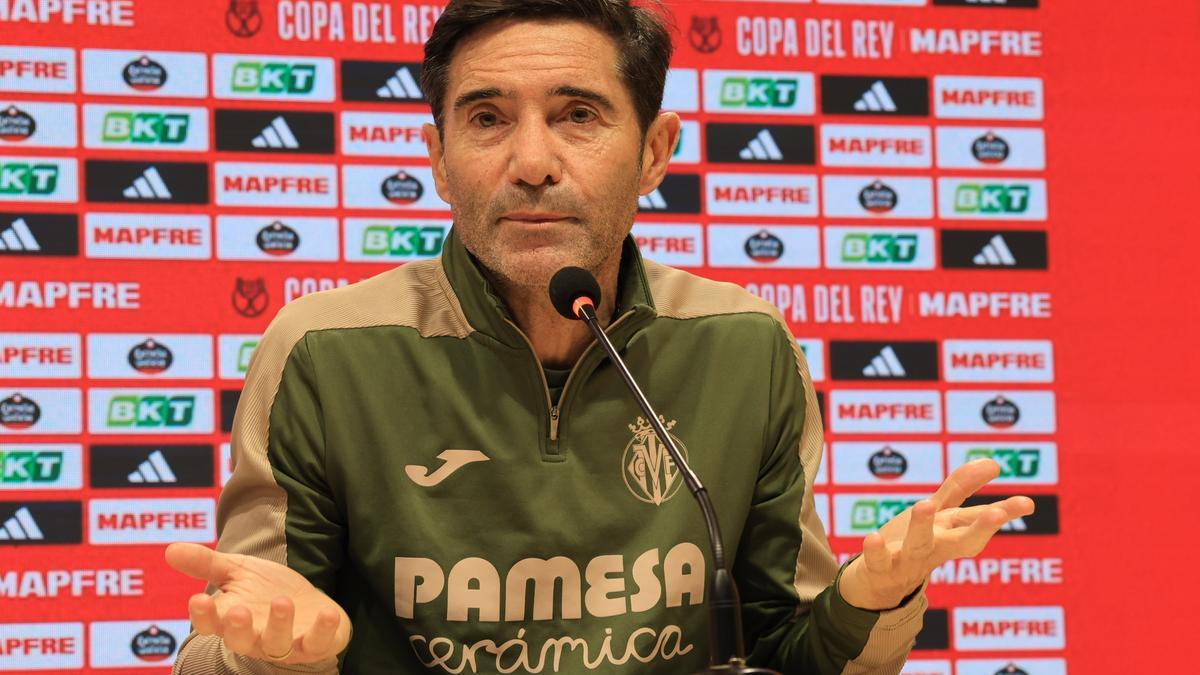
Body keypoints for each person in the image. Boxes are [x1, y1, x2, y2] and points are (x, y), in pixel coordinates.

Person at [168, 1, 1035, 673]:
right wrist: (270, 655)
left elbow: (782, 646)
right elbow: (231, 636)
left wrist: (869, 602)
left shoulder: (744, 345)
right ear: (436, 157)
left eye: (579, 114)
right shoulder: (326, 350)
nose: (533, 160)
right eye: (486, 118)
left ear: (656, 151)